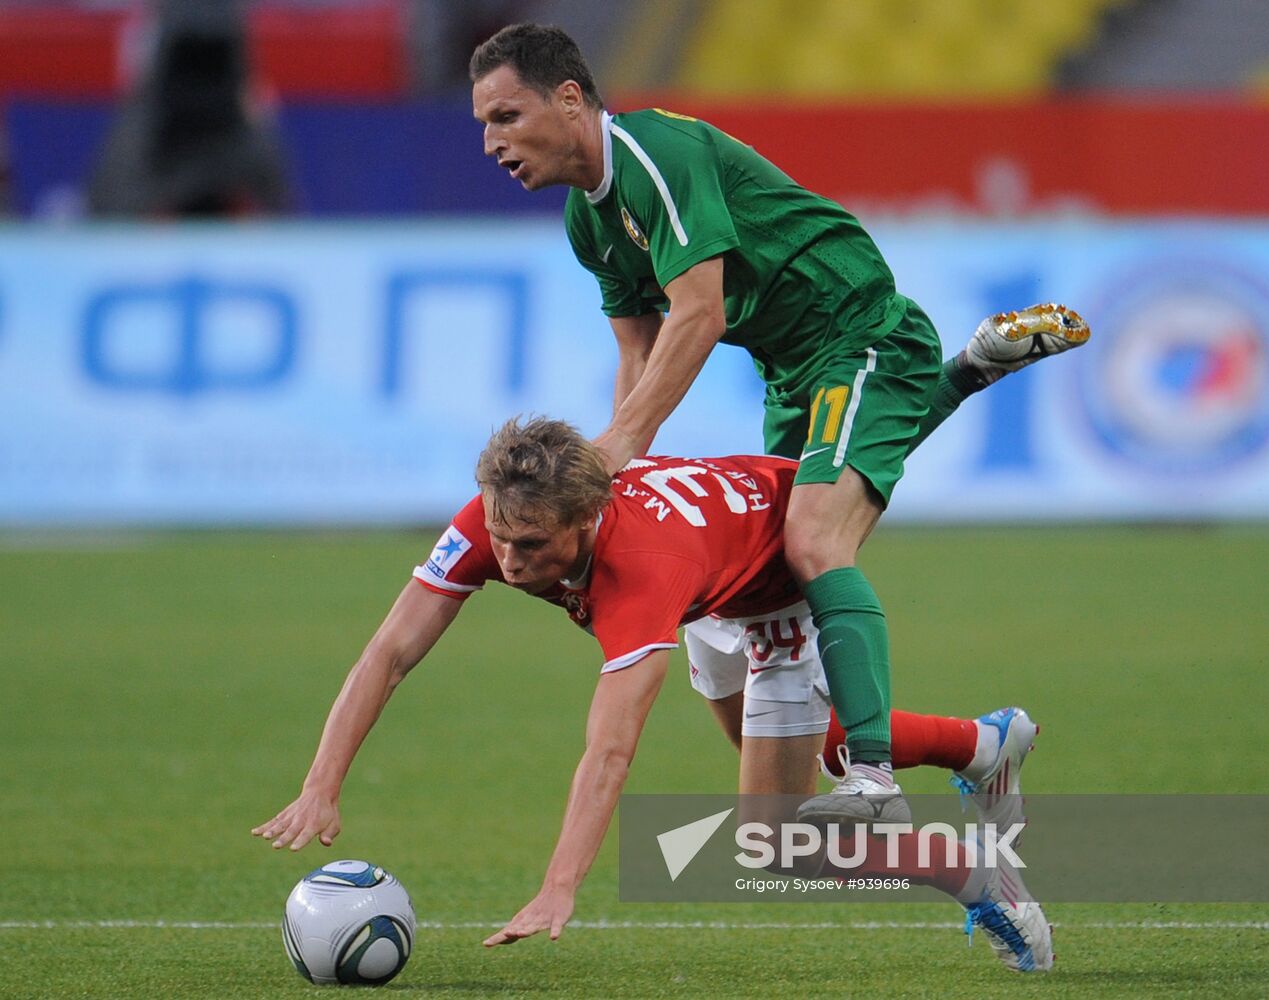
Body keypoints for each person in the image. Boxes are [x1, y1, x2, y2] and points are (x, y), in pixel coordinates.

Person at [468, 24, 1089, 827]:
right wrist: (611, 476)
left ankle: (872, 778)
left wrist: (618, 445)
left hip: (853, 328)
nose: (491, 142)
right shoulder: (588, 221)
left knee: (813, 541)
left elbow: (697, 313)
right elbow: (638, 348)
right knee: (778, 576)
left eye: (505, 116)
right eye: (483, 124)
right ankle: (979, 743)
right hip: (790, 368)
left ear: (569, 98)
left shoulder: (654, 154)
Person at [253, 418, 1053, 972]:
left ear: (586, 520)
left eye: (531, 546)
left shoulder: (639, 578)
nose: (508, 558)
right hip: (713, 577)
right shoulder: (498, 517)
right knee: (796, 755)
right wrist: (320, 786)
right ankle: (982, 745)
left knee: (777, 838)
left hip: (779, 576)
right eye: (500, 536)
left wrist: (559, 884)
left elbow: (610, 748)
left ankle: (975, 878)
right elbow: (391, 651)